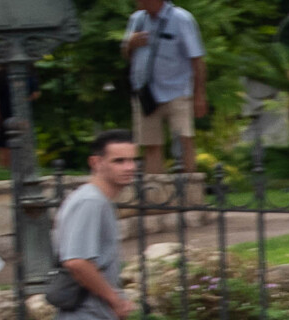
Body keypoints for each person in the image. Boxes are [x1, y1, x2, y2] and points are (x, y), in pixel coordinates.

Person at [55, 130, 138, 319]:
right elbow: (77, 261)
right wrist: (116, 301)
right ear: (95, 162)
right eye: (119, 161)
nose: (129, 167)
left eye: (132, 160)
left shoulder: (96, 200)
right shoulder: (91, 201)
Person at [124, 0, 208, 173]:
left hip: (177, 91)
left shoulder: (181, 18)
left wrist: (199, 94)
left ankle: (189, 194)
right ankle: (156, 195)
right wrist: (130, 44)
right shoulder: (137, 19)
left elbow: (197, 59)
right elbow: (126, 54)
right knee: (151, 145)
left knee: (184, 141)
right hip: (145, 92)